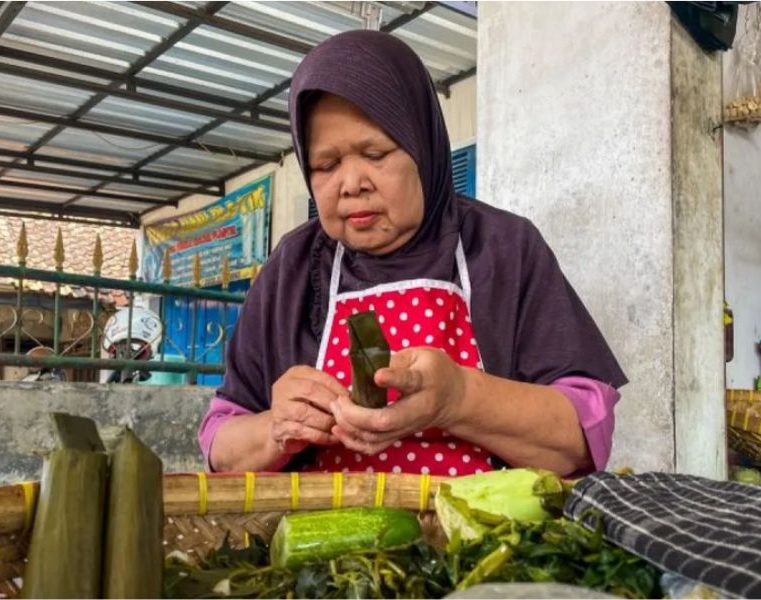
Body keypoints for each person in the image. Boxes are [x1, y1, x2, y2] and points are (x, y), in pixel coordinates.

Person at [198, 30, 626, 478]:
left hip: (487, 539)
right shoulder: (292, 269)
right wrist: (275, 430)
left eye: (375, 153)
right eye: (326, 165)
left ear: (423, 147)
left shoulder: (504, 247)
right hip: (316, 541)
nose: (351, 183)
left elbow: (582, 439)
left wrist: (459, 399)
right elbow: (220, 443)